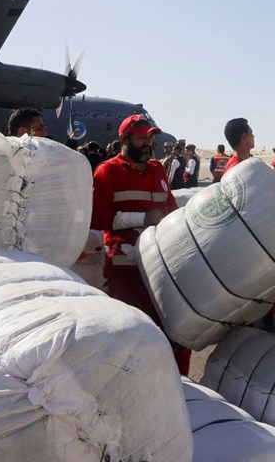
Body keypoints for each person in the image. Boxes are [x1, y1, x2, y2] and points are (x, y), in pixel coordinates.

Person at [90, 114, 190, 374]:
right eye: (141, 137)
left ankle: (182, 391)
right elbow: (98, 217)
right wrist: (140, 218)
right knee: (134, 337)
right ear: (124, 139)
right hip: (127, 268)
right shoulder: (107, 171)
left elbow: (170, 207)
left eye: (151, 137)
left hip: (162, 267)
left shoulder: (157, 169)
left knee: (177, 336)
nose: (148, 142)